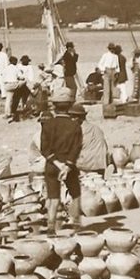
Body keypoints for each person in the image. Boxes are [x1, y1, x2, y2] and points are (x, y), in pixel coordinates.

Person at [40, 89, 82, 234]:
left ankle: (51, 228)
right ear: (70, 106)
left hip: (52, 165)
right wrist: (66, 166)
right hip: (69, 165)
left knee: (53, 198)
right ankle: (77, 226)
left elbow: (44, 149)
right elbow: (76, 148)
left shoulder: (47, 124)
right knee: (75, 194)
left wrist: (57, 164)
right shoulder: (75, 125)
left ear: (54, 106)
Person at [71, 103, 108, 176]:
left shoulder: (79, 130)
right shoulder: (96, 128)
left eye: (71, 118)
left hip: (86, 167)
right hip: (101, 165)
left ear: (76, 118)